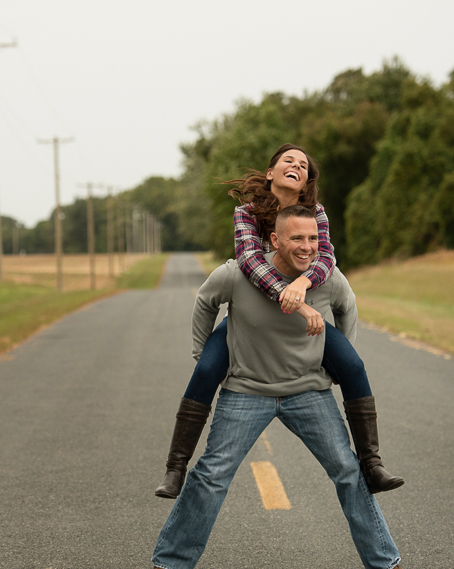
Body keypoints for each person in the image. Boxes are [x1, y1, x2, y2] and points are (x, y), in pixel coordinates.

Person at [147, 205, 412, 569]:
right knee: (211, 475)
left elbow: (347, 308)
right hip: (246, 391)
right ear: (275, 239)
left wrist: (333, 364)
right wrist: (202, 354)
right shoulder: (238, 273)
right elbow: (205, 301)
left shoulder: (326, 277)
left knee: (347, 469)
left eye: (312, 239)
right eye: (296, 239)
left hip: (308, 391)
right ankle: (167, 565)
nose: (306, 247)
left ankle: (386, 565)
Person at [155, 143, 402, 499]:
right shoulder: (247, 213)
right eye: (289, 160)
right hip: (252, 319)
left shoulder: (316, 213)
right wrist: (297, 302)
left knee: (353, 365)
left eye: (304, 165)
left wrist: (302, 284)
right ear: (271, 172)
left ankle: (372, 464)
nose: (297, 166)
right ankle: (175, 468)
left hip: (303, 317)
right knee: (207, 370)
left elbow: (326, 260)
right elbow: (250, 263)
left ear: (305, 183)